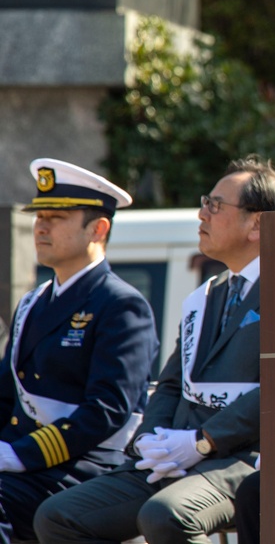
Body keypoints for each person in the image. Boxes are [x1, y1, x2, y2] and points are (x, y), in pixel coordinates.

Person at [34, 154, 275, 544]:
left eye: (215, 205)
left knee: (167, 516)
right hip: (181, 454)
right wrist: (153, 439)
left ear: (257, 222)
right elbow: (173, 383)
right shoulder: (210, 294)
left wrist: (203, 440)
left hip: (245, 460)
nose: (202, 214)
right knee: (59, 516)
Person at [0, 158, 158, 544]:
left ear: (98, 228)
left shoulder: (121, 305)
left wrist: (20, 455)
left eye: (56, 217)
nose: (41, 225)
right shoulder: (34, 302)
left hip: (85, 466)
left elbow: (106, 409)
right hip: (25, 461)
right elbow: (6, 394)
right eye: (39, 216)